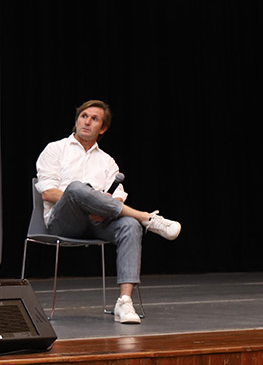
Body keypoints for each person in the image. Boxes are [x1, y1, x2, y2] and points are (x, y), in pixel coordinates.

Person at [34, 100, 182, 324]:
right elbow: (48, 193)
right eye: (84, 116)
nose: (87, 122)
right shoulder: (55, 149)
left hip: (97, 222)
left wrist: (104, 209)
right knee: (76, 188)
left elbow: (117, 197)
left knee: (129, 225)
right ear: (76, 120)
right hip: (63, 222)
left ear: (102, 128)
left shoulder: (107, 161)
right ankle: (146, 217)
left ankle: (125, 301)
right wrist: (87, 201)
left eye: (94, 119)